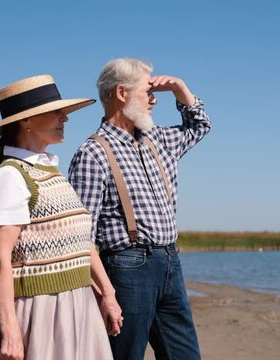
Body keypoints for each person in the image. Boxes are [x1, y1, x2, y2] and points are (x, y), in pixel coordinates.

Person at [68, 58, 211, 360]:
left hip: (170, 262)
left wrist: (180, 88)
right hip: (126, 269)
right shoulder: (92, 153)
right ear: (122, 94)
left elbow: (200, 125)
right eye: (147, 91)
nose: (155, 99)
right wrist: (106, 294)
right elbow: (82, 239)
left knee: (185, 355)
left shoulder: (158, 140)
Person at [0, 74, 121, 360]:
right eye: (56, 112)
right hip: (41, 310)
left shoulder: (52, 173)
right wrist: (11, 330)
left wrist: (108, 293)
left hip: (78, 303)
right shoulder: (12, 176)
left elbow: (82, 242)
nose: (64, 119)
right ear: (26, 121)